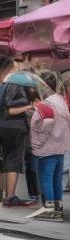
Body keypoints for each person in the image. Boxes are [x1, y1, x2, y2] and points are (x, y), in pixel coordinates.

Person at [30, 72, 70, 221]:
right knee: (56, 179)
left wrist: (37, 143)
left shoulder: (46, 104)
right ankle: (57, 210)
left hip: (47, 148)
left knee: (46, 179)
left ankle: (50, 211)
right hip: (60, 146)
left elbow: (45, 125)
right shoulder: (61, 101)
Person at [0, 64, 38, 208]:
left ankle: (6, 195)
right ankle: (10, 196)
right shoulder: (17, 86)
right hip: (14, 128)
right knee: (13, 160)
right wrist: (29, 106)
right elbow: (11, 110)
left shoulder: (2, 85)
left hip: (2, 127)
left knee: (5, 160)